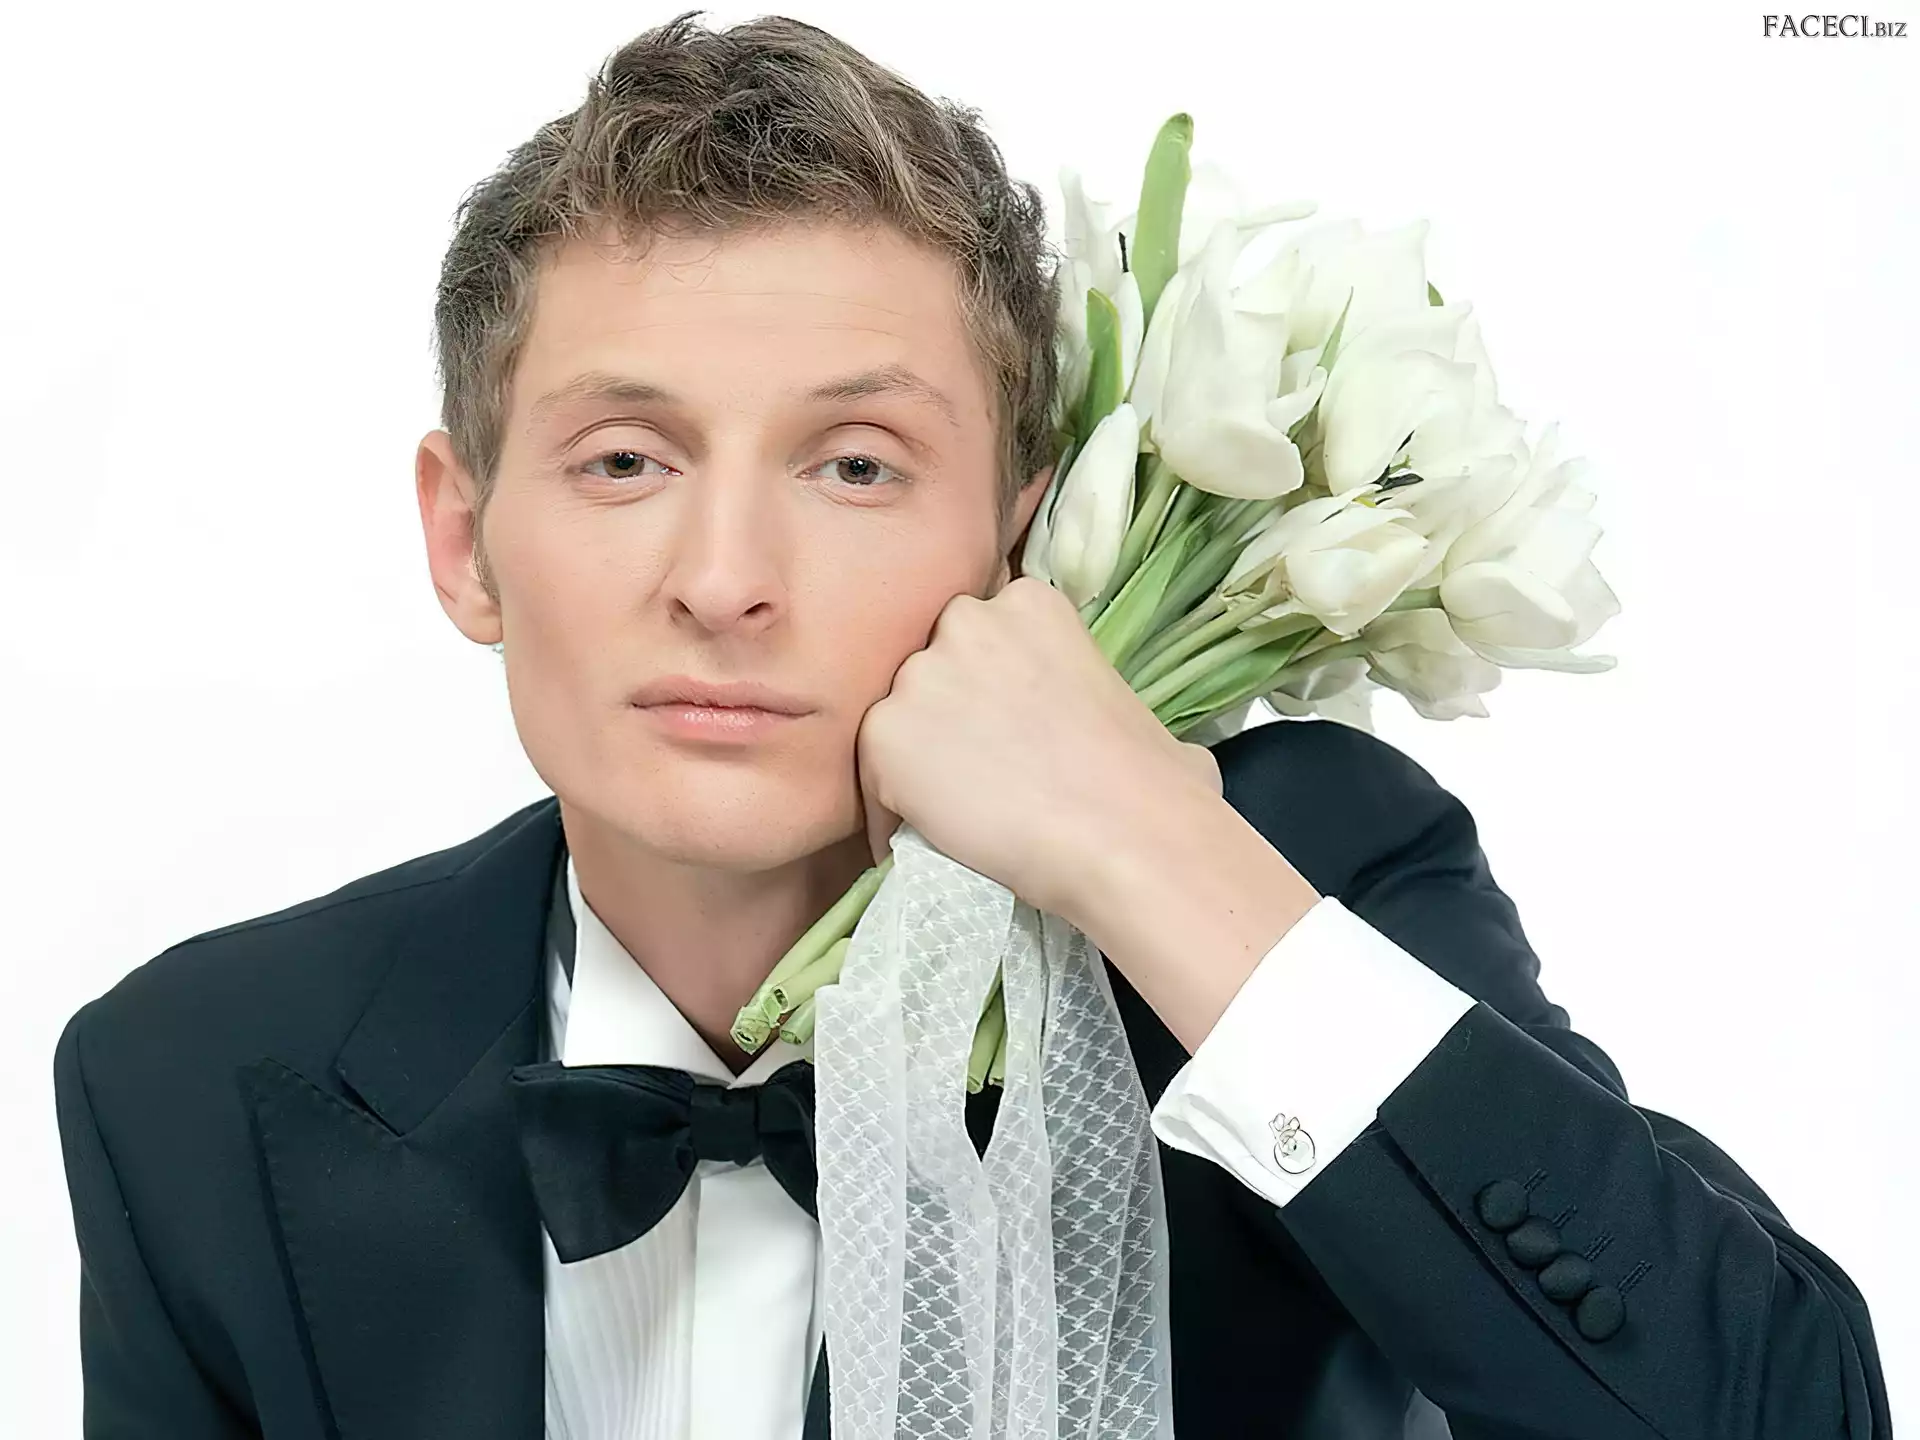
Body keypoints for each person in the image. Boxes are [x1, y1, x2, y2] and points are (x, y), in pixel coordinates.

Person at [53, 11, 1889, 1439]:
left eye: (856, 465)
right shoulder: (188, 1082)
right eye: (625, 460)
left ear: (1019, 539)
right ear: (466, 541)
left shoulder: (1289, 879)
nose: (726, 580)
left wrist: (1152, 850)